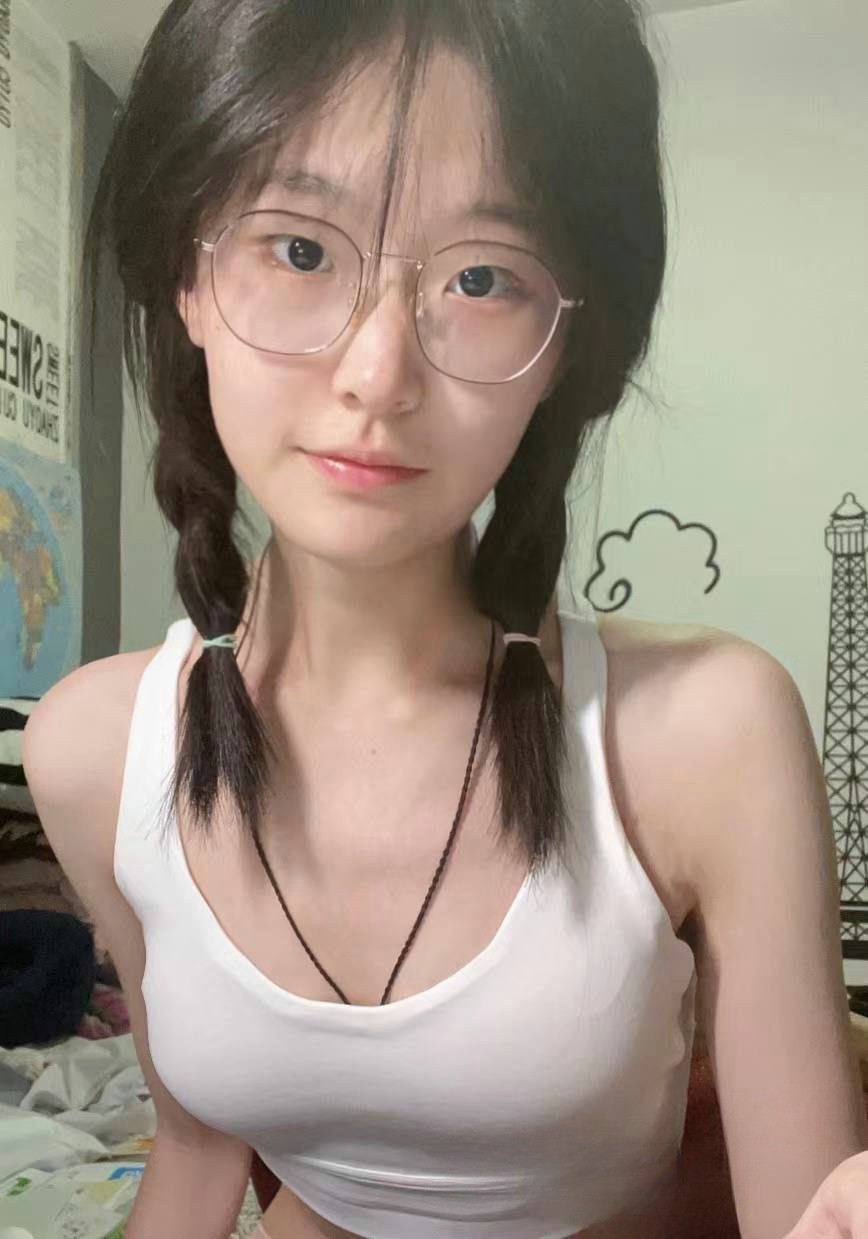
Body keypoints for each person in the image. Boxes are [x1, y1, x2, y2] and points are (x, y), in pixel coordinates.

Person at [22, 1, 867, 1237]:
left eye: (481, 279)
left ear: (566, 342)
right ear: (189, 280)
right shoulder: (90, 754)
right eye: (299, 250)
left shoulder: (707, 736)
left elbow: (807, 1209)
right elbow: (199, 1152)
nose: (377, 374)